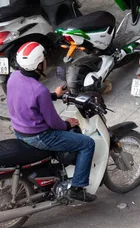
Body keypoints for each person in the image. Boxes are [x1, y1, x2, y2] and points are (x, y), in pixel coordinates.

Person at [7, 41, 96, 202]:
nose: (46, 61)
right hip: (39, 137)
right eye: (44, 58)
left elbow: (27, 97)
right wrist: (68, 124)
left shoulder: (14, 77)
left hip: (19, 131)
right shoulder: (39, 90)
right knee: (87, 143)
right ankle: (77, 188)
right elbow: (55, 123)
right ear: (38, 65)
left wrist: (54, 95)